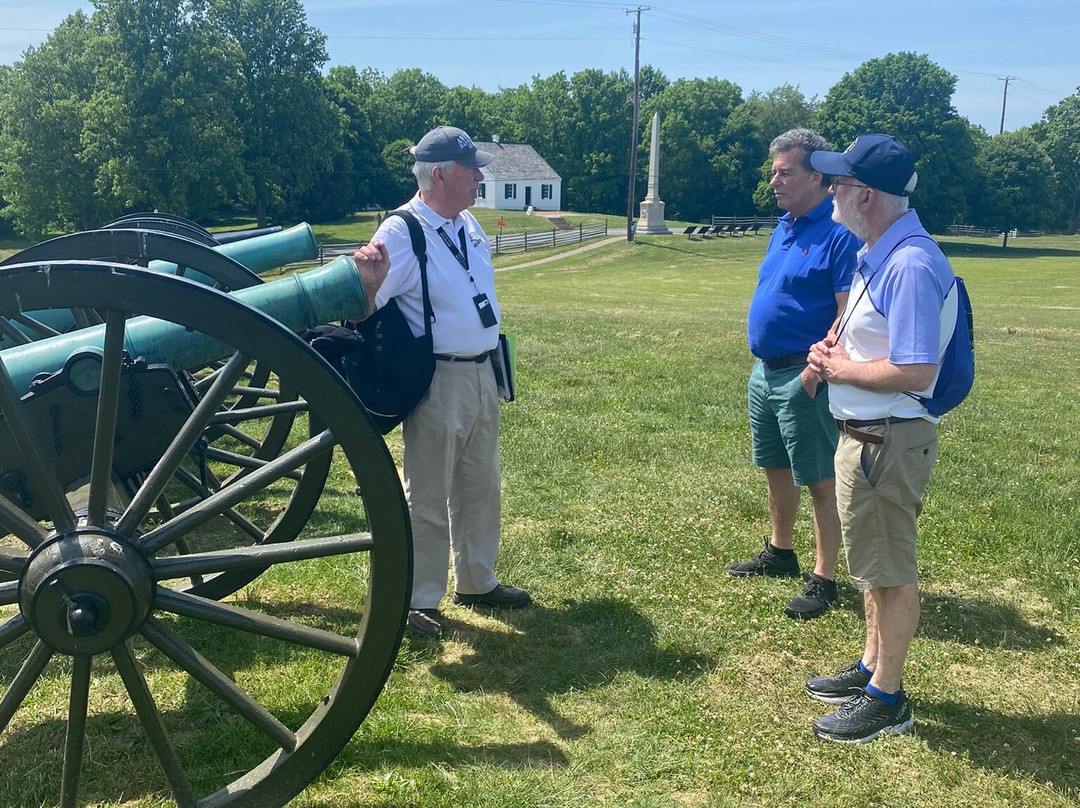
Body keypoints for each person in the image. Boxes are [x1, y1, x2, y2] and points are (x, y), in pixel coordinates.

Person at [803, 134, 956, 743]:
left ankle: (887, 698)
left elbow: (918, 371)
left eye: (837, 184)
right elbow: (879, 344)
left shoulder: (910, 263)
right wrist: (834, 352)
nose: (830, 192)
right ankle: (871, 665)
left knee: (889, 570)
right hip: (869, 435)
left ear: (864, 195)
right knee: (872, 563)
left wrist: (839, 370)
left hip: (889, 438)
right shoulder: (880, 252)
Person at [369, 125, 531, 639]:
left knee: (480, 486)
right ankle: (418, 599)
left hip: (484, 370)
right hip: (438, 378)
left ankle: (478, 582)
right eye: (471, 168)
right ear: (439, 173)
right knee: (429, 494)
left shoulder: (468, 224)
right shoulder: (401, 230)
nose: (480, 176)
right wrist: (367, 283)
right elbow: (364, 302)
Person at [731, 128, 860, 620]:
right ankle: (781, 552)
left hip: (805, 376)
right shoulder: (784, 226)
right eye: (773, 171)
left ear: (817, 176)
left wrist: (815, 371)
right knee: (775, 467)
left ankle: (824, 578)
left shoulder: (838, 231)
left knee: (819, 478)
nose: (774, 180)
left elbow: (847, 314)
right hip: (765, 373)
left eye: (785, 172)